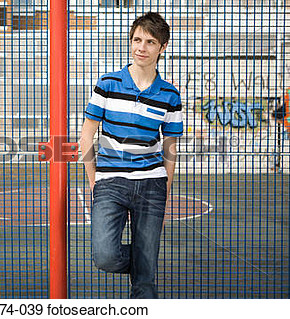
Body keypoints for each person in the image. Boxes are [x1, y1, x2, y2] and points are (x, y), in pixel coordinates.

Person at [80, 12, 183, 299]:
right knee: (105, 256)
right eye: (137, 39)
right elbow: (86, 136)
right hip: (110, 182)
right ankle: (143, 260)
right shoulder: (108, 83)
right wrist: (94, 181)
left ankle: (145, 274)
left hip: (152, 184)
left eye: (150, 42)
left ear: (162, 47)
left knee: (145, 284)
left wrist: (165, 189)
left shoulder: (170, 95)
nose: (141, 47)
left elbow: (170, 148)